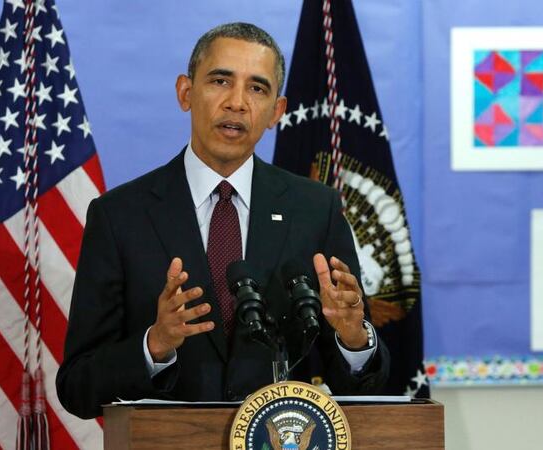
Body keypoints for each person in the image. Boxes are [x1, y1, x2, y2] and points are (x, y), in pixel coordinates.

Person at [56, 22, 389, 419]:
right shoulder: (119, 216)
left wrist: (353, 338)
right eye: (220, 80)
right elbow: (77, 387)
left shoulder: (316, 209)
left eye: (257, 88)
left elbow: (362, 380)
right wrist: (155, 344)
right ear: (185, 92)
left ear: (275, 112)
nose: (237, 102)